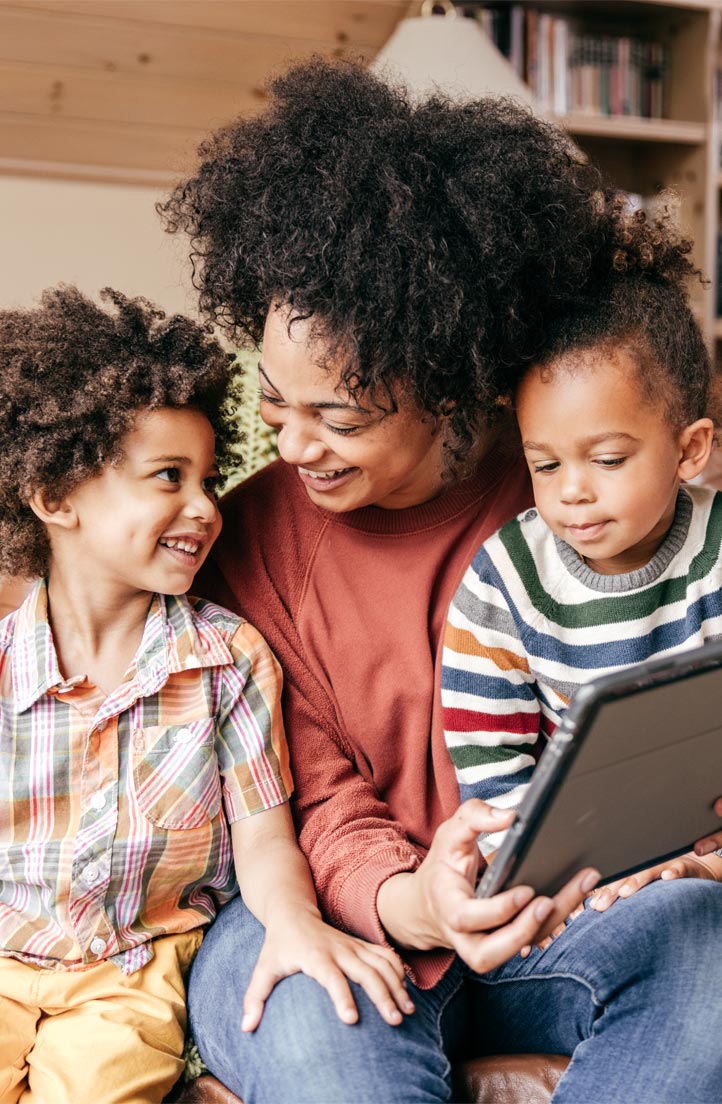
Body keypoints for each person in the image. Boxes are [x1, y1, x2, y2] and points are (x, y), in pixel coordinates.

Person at [159, 59, 722, 1103]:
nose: (295, 448)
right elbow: (303, 791)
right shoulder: (246, 540)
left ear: (453, 374)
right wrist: (410, 899)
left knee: (709, 957)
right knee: (314, 1039)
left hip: (565, 917)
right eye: (276, 406)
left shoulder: (576, 479)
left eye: (341, 416)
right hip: (340, 917)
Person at [0, 286, 411, 1104]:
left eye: (208, 477)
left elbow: (263, 841)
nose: (204, 506)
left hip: (131, 976)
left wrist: (295, 922)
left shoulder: (229, 659)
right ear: (53, 498)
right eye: (167, 478)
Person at [441, 231, 722, 905]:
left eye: (607, 459)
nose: (571, 491)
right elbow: (491, 783)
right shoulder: (504, 581)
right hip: (576, 891)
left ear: (690, 450)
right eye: (546, 464)